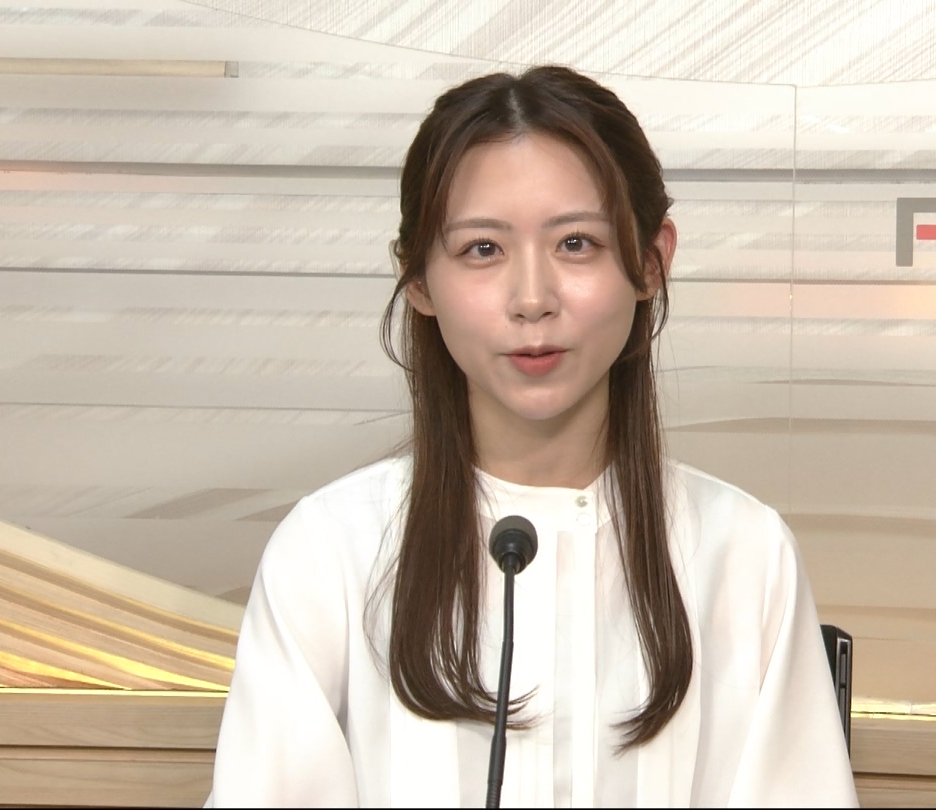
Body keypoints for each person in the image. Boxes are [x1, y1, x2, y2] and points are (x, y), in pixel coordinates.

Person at [207, 65, 859, 808]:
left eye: (576, 243)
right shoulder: (329, 553)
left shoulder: (746, 555)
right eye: (482, 249)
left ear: (651, 261)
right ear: (418, 280)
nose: (532, 299)